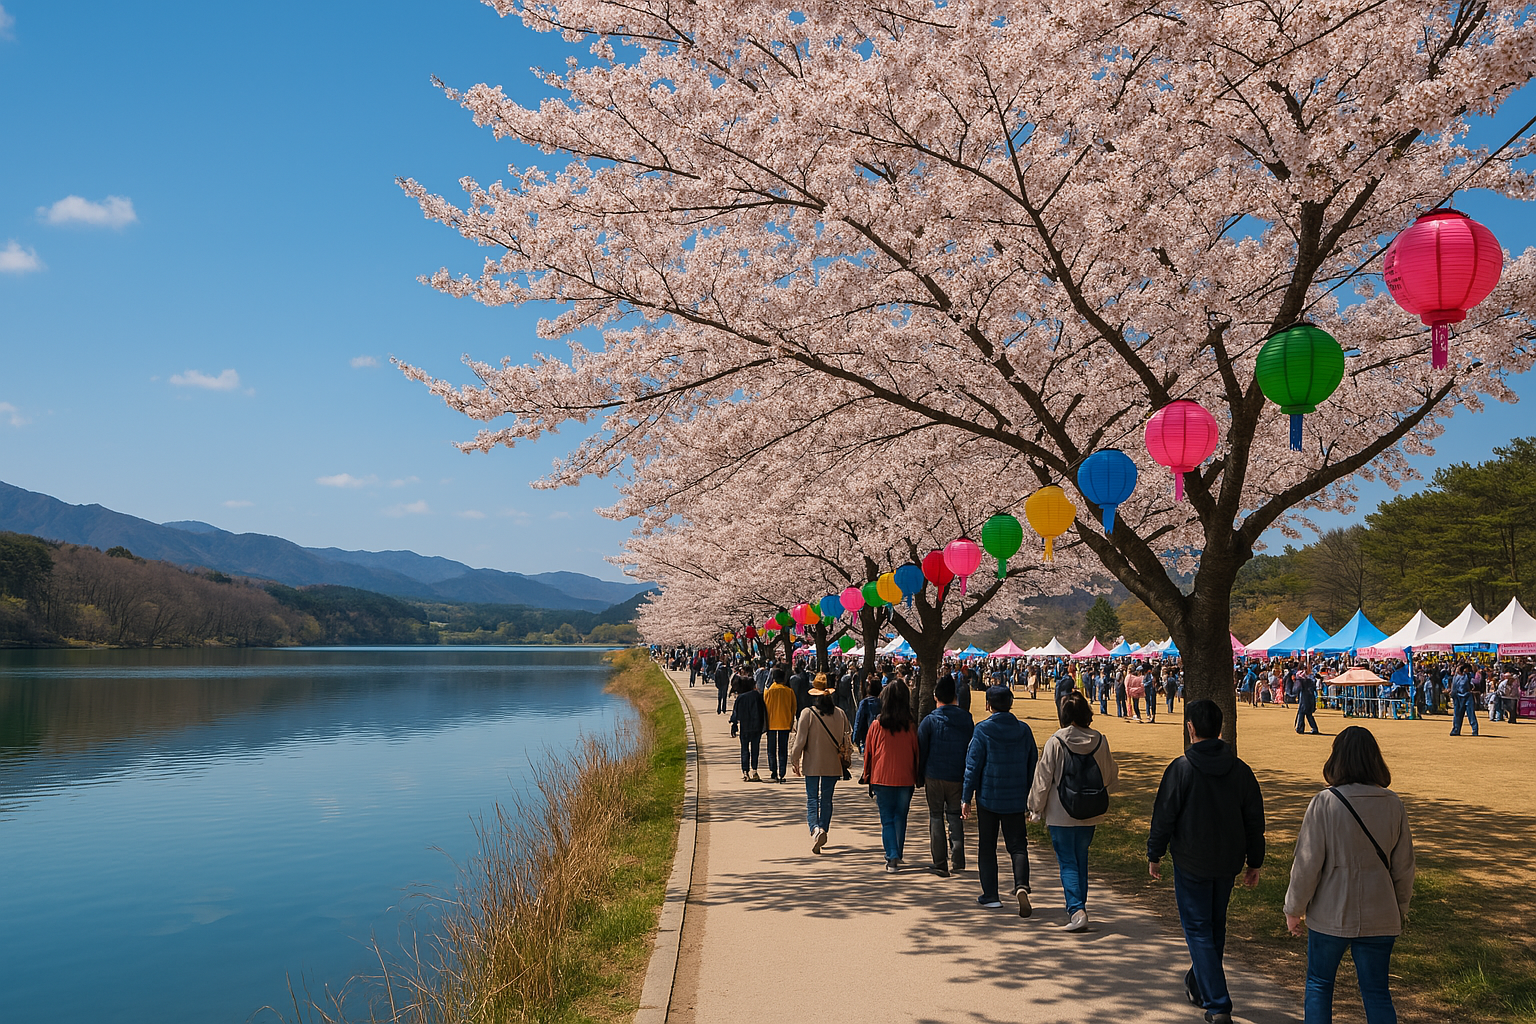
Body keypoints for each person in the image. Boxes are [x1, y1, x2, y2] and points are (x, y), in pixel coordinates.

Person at [1284, 727, 1415, 1024]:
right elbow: (1404, 866)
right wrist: (1400, 908)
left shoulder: (1325, 802)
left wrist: (1294, 908)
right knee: (1377, 992)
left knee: (1319, 984)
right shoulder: (1392, 803)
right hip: (1380, 911)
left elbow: (1307, 864)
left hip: (1331, 911)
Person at [1148, 699, 1266, 1024]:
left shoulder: (1182, 768)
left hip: (1192, 861)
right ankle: (1199, 984)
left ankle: (1218, 1004)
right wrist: (1254, 860)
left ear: (1191, 728)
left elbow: (1164, 815)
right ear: (1220, 729)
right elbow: (1255, 820)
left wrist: (1155, 854)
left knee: (1200, 930)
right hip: (1226, 860)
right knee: (1213, 927)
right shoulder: (1240, 770)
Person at [1027, 691, 1119, 932]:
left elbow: (1043, 779)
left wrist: (1035, 808)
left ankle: (1076, 909)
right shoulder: (1100, 739)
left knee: (1067, 861)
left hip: (1061, 811)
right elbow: (1109, 775)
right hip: (1090, 809)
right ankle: (1080, 906)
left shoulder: (1056, 741)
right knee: (1081, 859)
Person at [962, 685, 1038, 916]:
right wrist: (1030, 796)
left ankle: (991, 895)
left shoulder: (982, 730)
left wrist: (966, 797)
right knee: (1017, 845)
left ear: (988, 705)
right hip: (1016, 797)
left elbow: (973, 766)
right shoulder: (1023, 730)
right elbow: (1033, 764)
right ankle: (1021, 885)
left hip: (989, 796)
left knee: (987, 846)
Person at [917, 673, 975, 877]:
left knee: (935, 815)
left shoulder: (929, 721)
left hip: (933, 774)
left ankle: (940, 862)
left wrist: (919, 775)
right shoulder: (966, 719)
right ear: (955, 696)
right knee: (954, 815)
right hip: (957, 775)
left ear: (936, 697)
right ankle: (957, 858)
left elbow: (921, 750)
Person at [788, 676, 853, 855]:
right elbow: (846, 738)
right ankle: (823, 827)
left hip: (812, 763)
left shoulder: (808, 713)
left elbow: (800, 741)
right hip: (833, 764)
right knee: (826, 799)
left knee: (812, 799)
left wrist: (794, 759)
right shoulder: (840, 713)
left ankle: (815, 829)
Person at [865, 678, 921, 872]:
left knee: (887, 818)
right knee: (901, 816)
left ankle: (892, 855)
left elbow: (869, 753)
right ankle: (897, 851)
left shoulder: (877, 725)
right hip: (905, 776)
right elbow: (916, 752)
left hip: (881, 776)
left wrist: (867, 776)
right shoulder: (911, 726)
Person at [730, 678, 768, 782]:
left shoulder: (740, 698)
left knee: (744, 749)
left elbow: (735, 712)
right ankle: (754, 770)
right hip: (756, 726)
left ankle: (745, 771)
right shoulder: (758, 696)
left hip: (745, 726)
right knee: (755, 749)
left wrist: (734, 724)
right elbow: (763, 711)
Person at [763, 667, 797, 783]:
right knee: (782, 749)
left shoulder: (768, 692)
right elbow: (794, 708)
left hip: (771, 723)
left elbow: (765, 708)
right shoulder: (789, 692)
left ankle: (773, 772)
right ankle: (782, 773)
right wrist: (791, 721)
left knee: (771, 749)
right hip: (785, 723)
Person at [854, 676, 883, 752]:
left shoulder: (865, 702)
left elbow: (858, 721)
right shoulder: (883, 703)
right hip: (881, 739)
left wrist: (855, 738)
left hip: (867, 738)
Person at [1449, 662, 1479, 736]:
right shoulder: (1455, 677)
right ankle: (1456, 730)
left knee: (1470, 714)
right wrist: (1452, 694)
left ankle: (1475, 730)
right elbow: (1453, 686)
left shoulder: (1468, 676)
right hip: (1457, 697)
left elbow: (1474, 675)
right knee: (1457, 715)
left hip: (1467, 696)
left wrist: (1470, 667)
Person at [1296, 665, 1320, 735]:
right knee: (1308, 714)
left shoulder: (1307, 677)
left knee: (1302, 712)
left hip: (1306, 696)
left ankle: (1300, 728)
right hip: (1309, 695)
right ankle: (1314, 728)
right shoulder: (1310, 677)